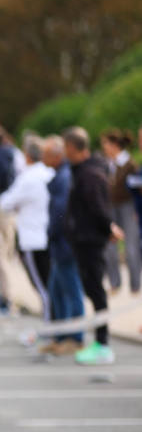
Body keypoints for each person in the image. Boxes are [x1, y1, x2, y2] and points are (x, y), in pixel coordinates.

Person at [64, 126, 123, 366]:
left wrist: (109, 227)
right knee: (93, 291)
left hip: (90, 241)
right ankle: (100, 342)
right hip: (83, 239)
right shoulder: (82, 171)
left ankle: (103, 344)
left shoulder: (90, 174)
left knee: (97, 292)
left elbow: (99, 208)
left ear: (72, 147)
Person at [0, 135, 54, 320]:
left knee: (42, 288)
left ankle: (51, 331)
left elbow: (5, 202)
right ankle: (56, 331)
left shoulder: (28, 177)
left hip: (32, 238)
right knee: (50, 286)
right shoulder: (50, 173)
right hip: (48, 235)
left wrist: (19, 205)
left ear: (28, 155)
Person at [42, 136, 85, 355]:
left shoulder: (63, 177)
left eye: (46, 153)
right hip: (60, 244)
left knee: (71, 291)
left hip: (65, 244)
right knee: (56, 291)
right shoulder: (60, 176)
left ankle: (76, 338)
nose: (42, 157)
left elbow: (60, 214)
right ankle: (60, 336)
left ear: (57, 155)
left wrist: (51, 233)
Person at [102, 128, 140, 295]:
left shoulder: (129, 164)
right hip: (112, 206)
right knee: (110, 245)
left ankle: (135, 284)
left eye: (106, 144)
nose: (104, 148)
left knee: (131, 246)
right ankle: (115, 282)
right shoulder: (108, 164)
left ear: (114, 145)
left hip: (127, 206)